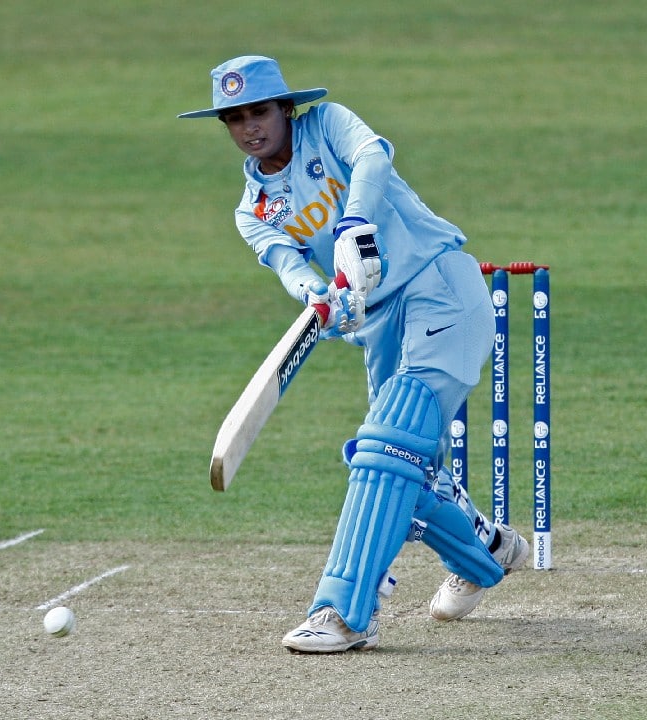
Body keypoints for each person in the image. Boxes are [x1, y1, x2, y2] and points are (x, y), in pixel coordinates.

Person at [178, 55, 530, 653]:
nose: (250, 127)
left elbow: (373, 157)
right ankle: (488, 551)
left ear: (285, 108)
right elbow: (290, 266)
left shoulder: (329, 125)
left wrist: (354, 225)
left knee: (387, 449)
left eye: (260, 111)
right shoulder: (253, 210)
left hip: (441, 289)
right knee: (402, 470)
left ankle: (341, 613)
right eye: (234, 119)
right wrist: (321, 295)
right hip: (381, 325)